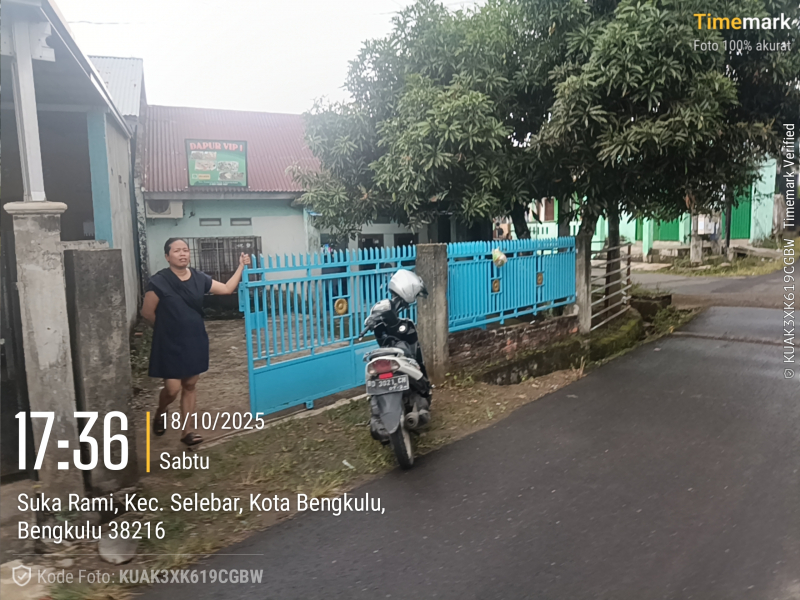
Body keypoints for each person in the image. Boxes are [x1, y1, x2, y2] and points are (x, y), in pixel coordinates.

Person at [140, 238, 251, 447]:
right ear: (167, 256)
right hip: (169, 342)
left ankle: (187, 431)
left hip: (194, 339)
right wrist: (166, 330)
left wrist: (241, 267)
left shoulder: (199, 278)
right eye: (176, 251)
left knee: (190, 385)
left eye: (185, 250)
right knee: (172, 389)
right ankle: (161, 411)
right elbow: (147, 312)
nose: (182, 254)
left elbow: (227, 288)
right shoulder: (159, 282)